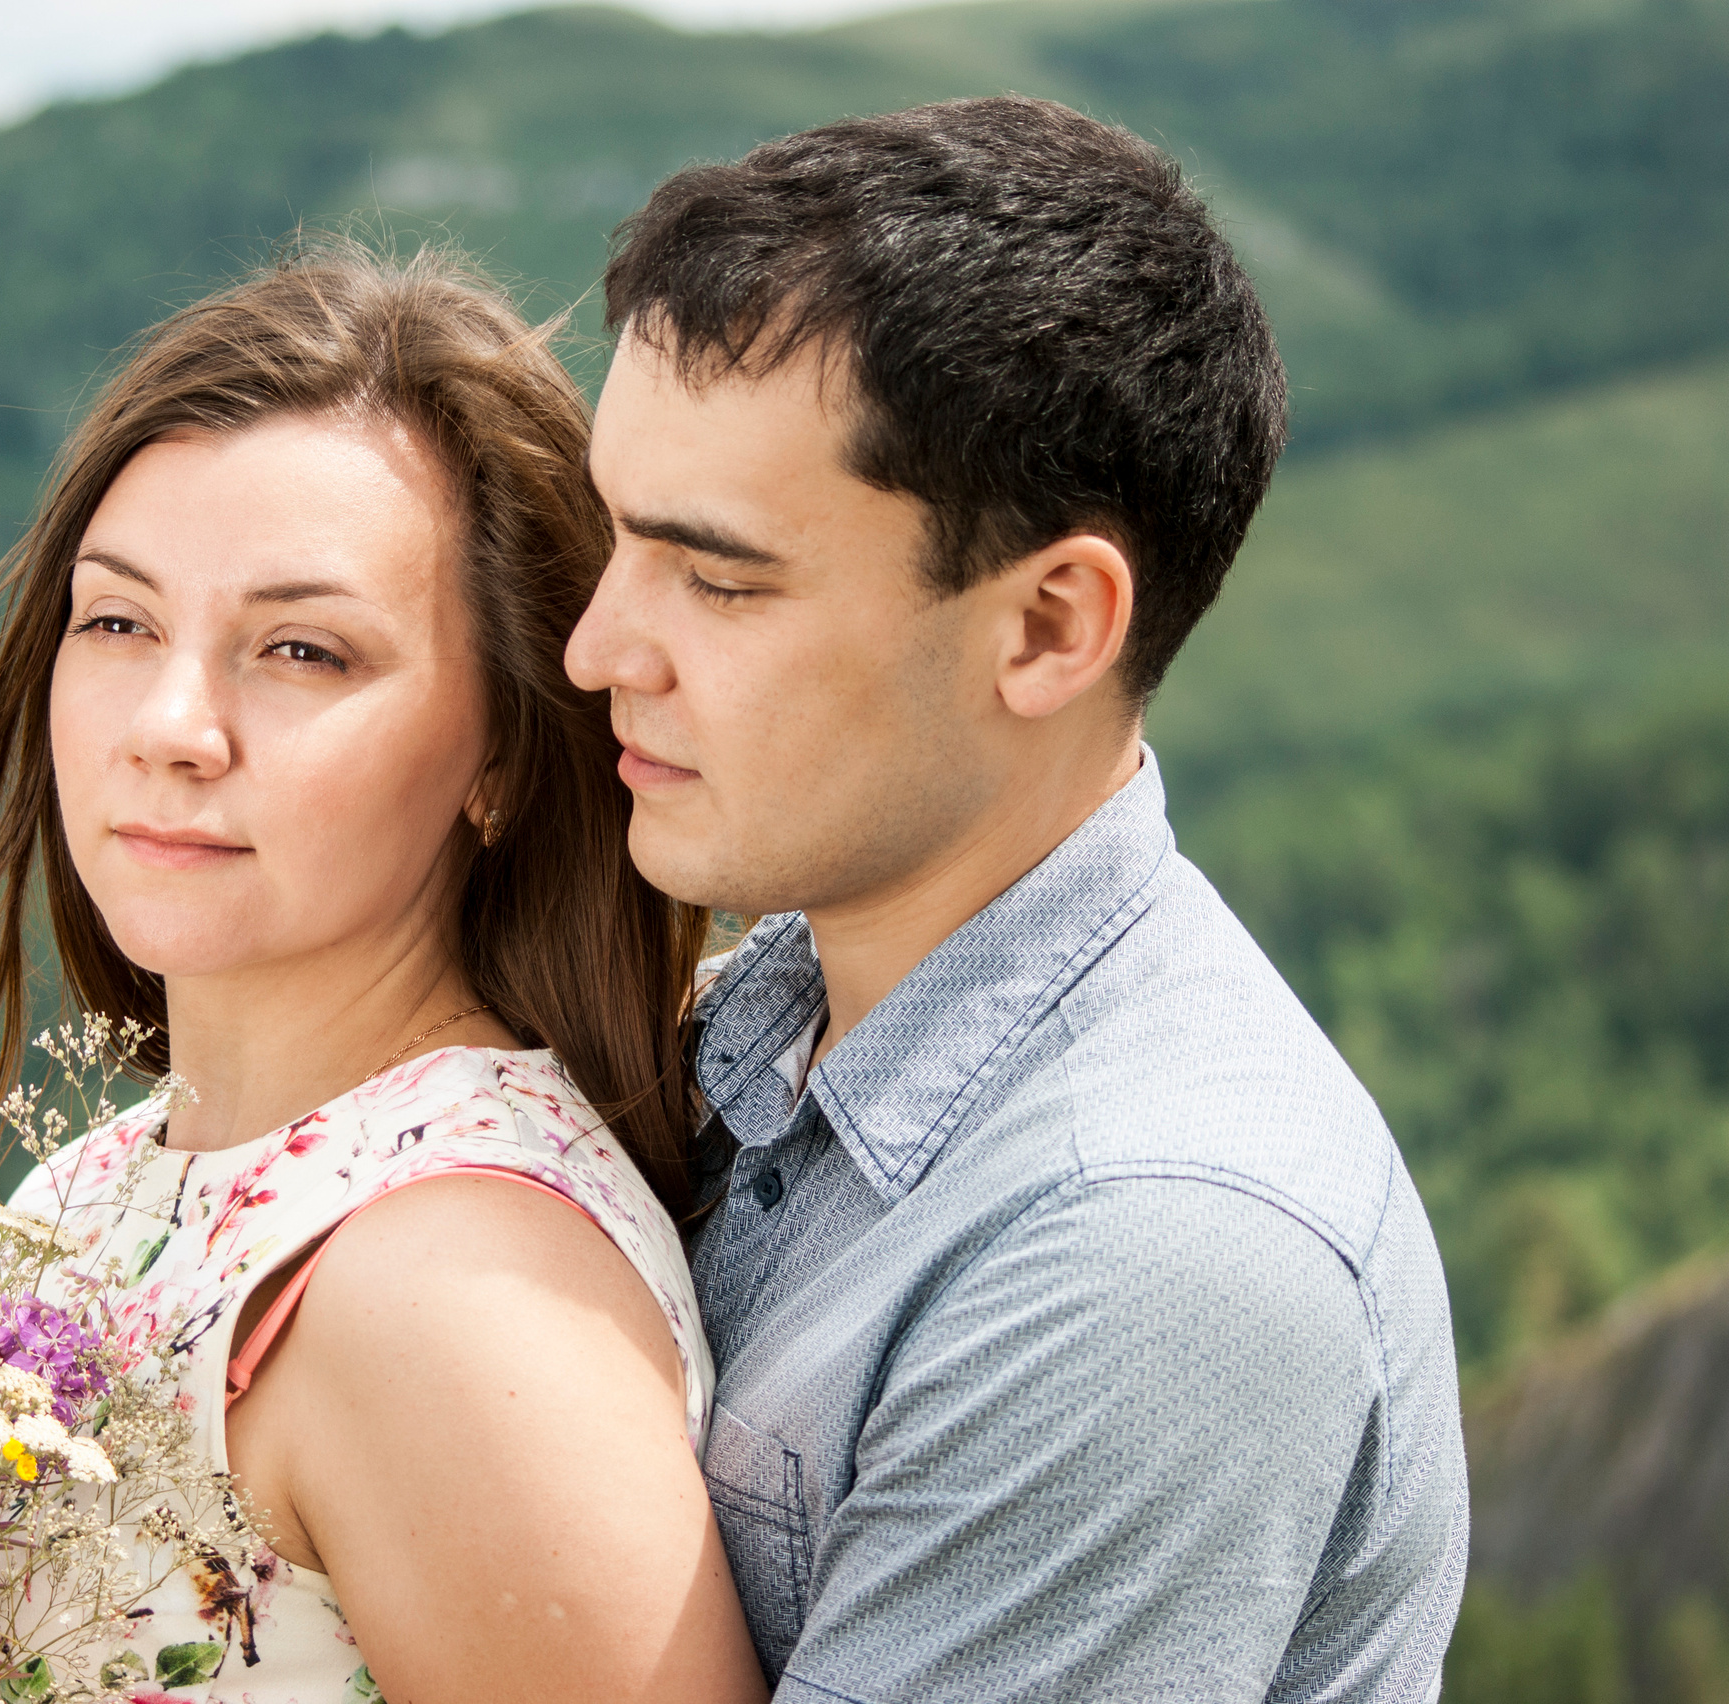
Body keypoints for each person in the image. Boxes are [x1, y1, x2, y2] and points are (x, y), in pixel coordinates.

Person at [565, 98, 1469, 1700]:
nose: (596, 649)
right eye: (612, 536)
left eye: (716, 578)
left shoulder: (1150, 1264)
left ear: (1050, 627)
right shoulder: (767, 1014)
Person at [0, 245, 768, 1703]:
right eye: (117, 621)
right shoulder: (92, 1192)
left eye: (303, 651)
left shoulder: (454, 1294)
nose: (171, 727)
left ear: (502, 756)